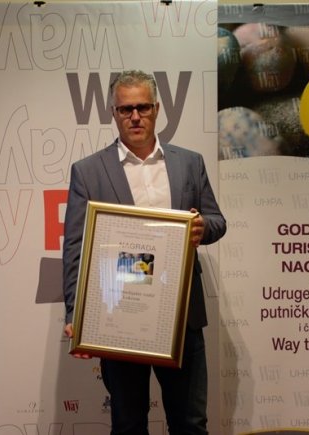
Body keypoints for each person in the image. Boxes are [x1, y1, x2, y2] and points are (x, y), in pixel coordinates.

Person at [62, 69, 226, 435]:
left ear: (156, 109)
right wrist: (76, 313)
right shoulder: (88, 171)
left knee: (190, 424)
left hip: (182, 315)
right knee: (128, 424)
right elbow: (75, 246)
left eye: (143, 107)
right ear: (114, 112)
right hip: (119, 315)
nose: (135, 117)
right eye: (126, 109)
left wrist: (203, 228)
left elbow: (217, 220)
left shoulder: (189, 162)